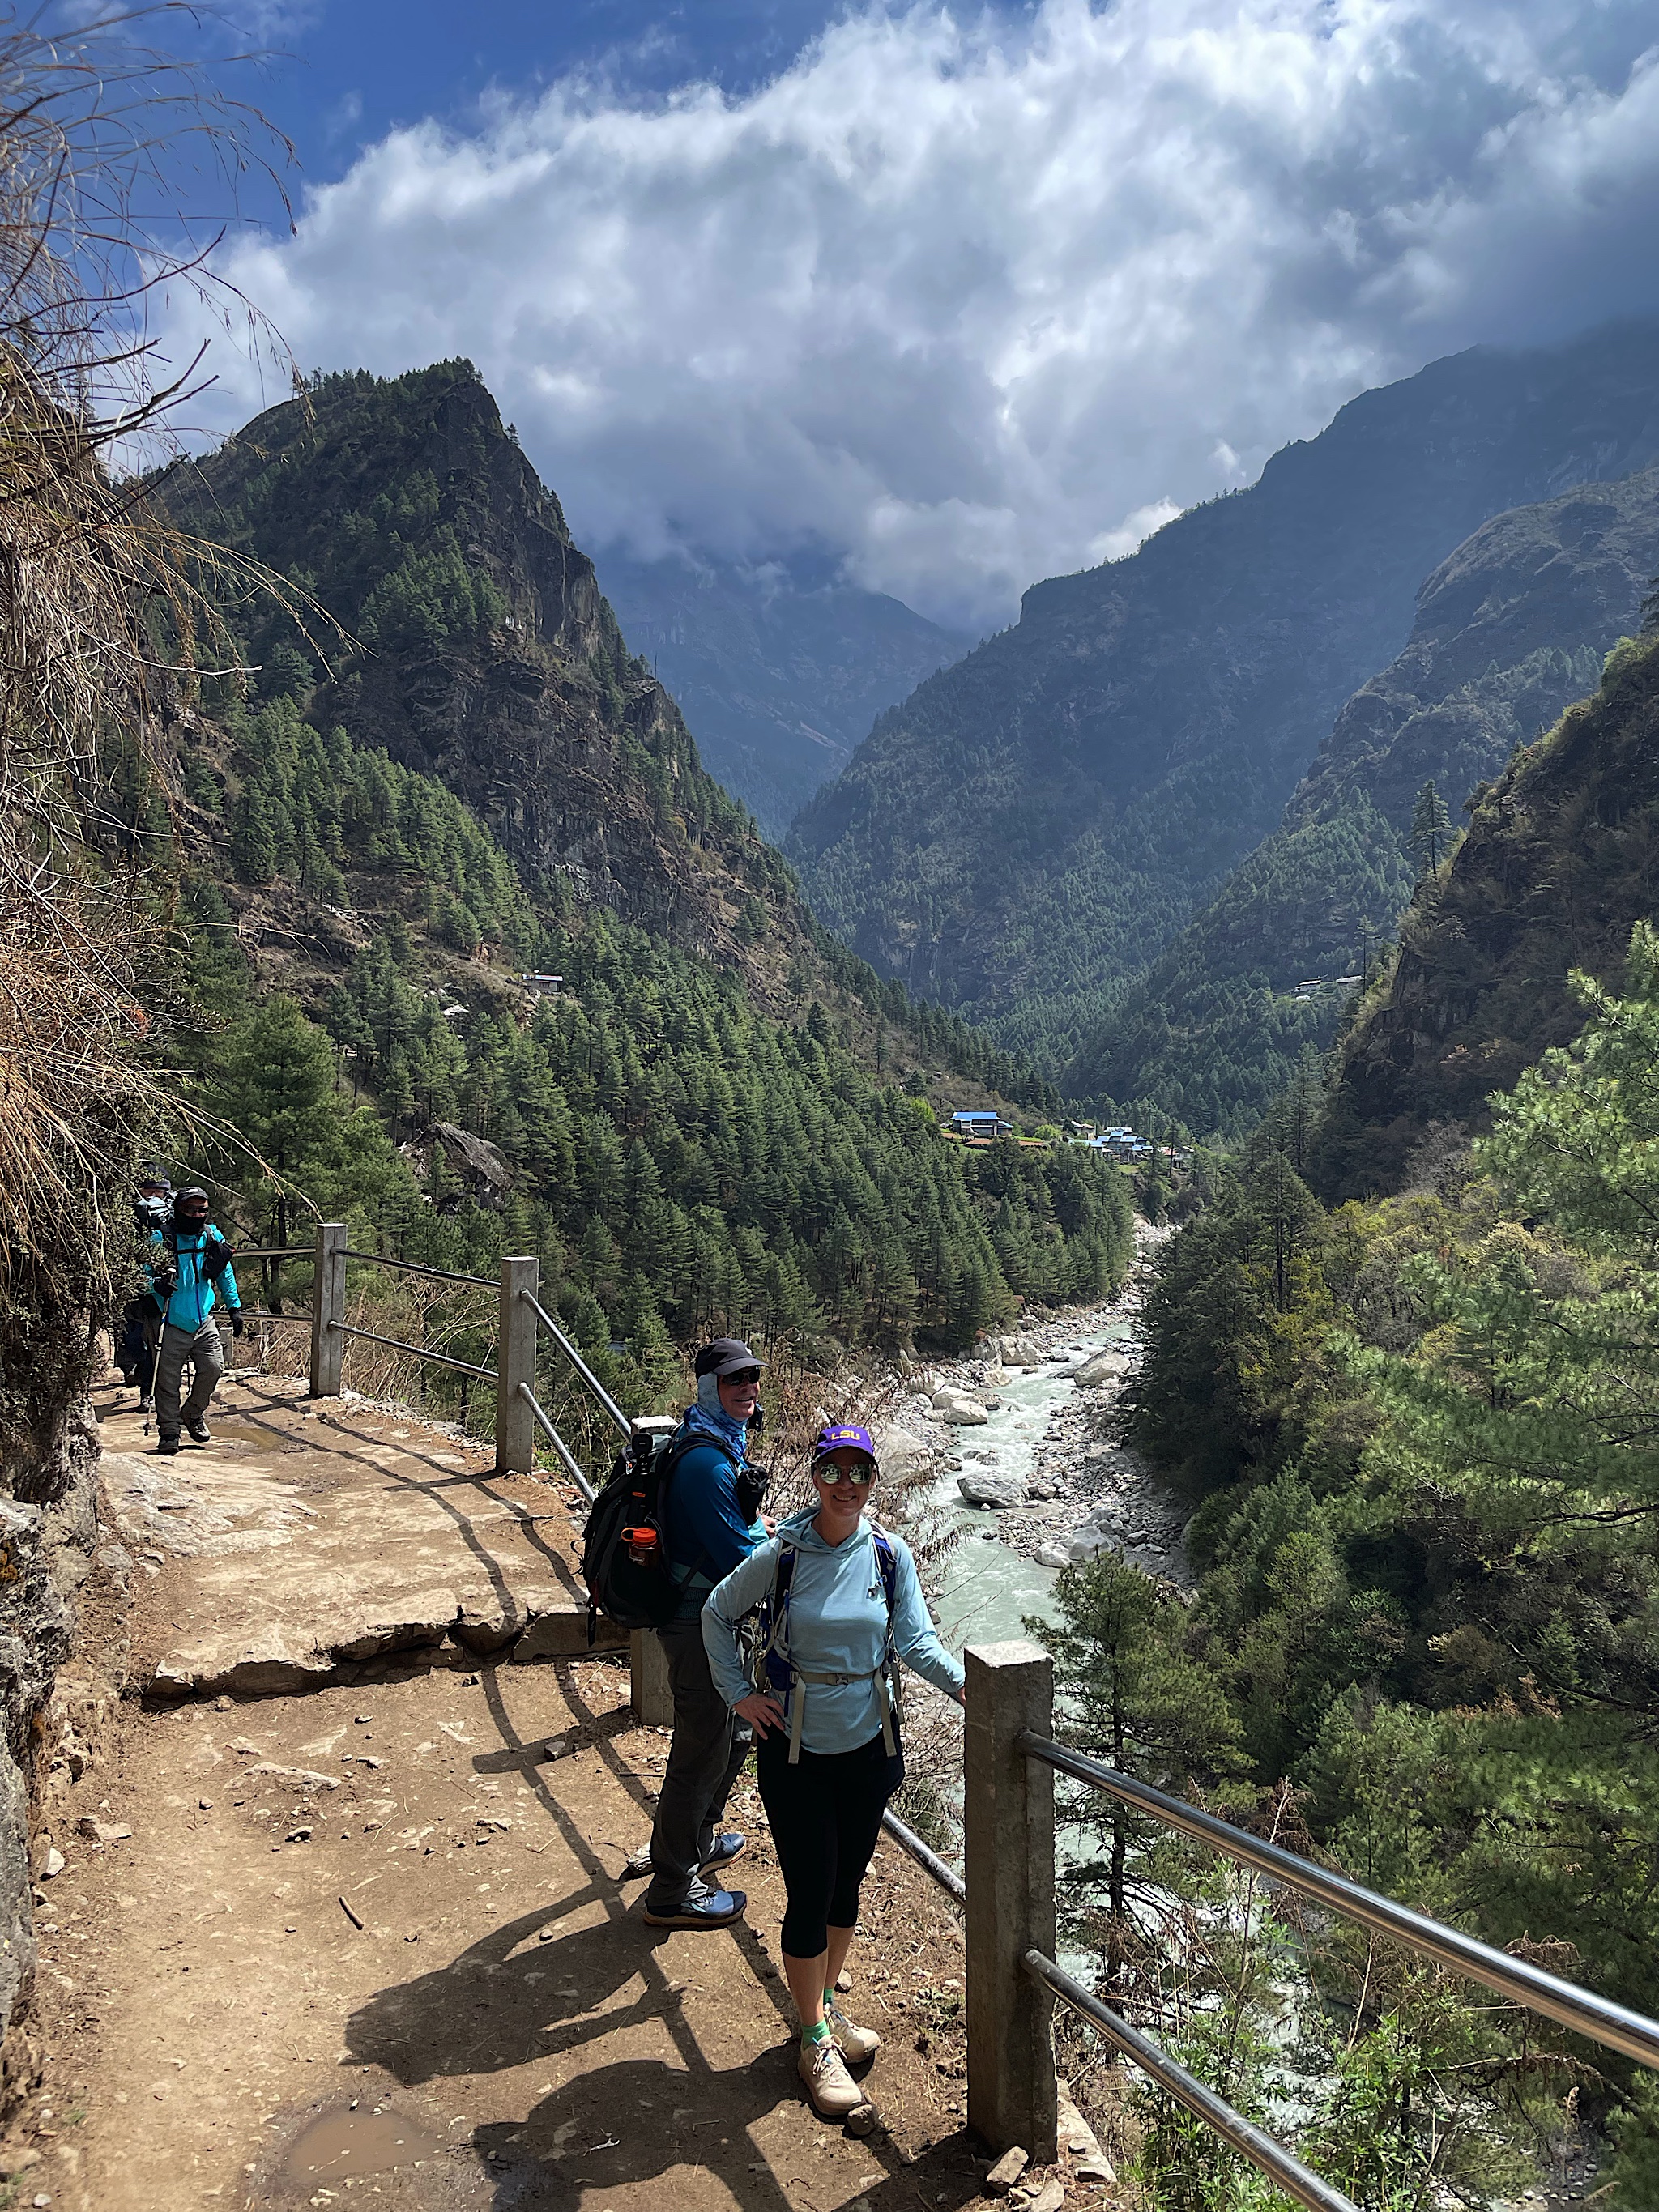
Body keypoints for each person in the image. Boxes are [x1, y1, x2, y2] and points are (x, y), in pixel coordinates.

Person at [702, 1422, 965, 2120]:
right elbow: (717, 1612)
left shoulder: (889, 1554)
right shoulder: (782, 1554)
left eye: (860, 1473)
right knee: (811, 1887)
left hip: (870, 1747)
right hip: (795, 1749)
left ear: (873, 1479)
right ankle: (814, 2038)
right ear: (815, 1476)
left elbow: (915, 1640)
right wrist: (739, 1694)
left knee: (845, 1885)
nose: (847, 1485)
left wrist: (970, 1686)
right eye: (834, 1471)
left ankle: (821, 2006)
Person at [639, 1337, 770, 1931]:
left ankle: (698, 1839)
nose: (747, 1388)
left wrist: (757, 1527)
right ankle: (672, 1886)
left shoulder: (720, 1443)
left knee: (735, 1731)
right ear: (707, 1386)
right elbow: (740, 1557)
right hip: (697, 1622)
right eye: (734, 1379)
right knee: (702, 1747)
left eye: (753, 1378)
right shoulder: (705, 1462)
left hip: (715, 1616)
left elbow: (735, 1533)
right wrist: (797, 1550)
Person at [143, 1186, 242, 1457]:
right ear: (179, 1209)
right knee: (167, 1380)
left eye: (202, 1210)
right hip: (170, 1320)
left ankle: (192, 1413)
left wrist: (234, 1307)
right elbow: (140, 1275)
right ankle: (169, 1433)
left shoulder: (212, 1236)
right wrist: (157, 1286)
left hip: (204, 1320)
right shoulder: (161, 1238)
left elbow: (225, 1272)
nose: (197, 1215)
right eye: (190, 1209)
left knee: (213, 1368)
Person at [116, 1168, 173, 1409]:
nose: (152, 1195)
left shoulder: (173, 1220)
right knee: (130, 1340)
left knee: (154, 1345)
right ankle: (133, 1368)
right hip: (131, 1291)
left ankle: (147, 1394)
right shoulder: (124, 1218)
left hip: (159, 1294)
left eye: (157, 1190)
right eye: (148, 1190)